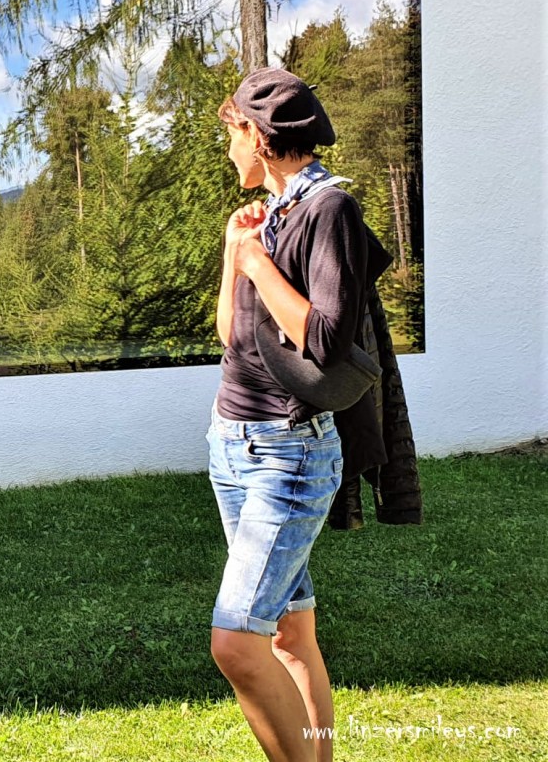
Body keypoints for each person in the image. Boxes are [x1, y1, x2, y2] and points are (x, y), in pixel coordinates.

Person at [206, 68, 370, 762]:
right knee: (290, 636)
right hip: (233, 447)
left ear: (260, 135)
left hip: (289, 454)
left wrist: (258, 265)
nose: (228, 151)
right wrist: (233, 253)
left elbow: (327, 339)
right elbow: (231, 336)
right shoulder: (264, 217)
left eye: (231, 135)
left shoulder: (328, 210)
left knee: (237, 643)